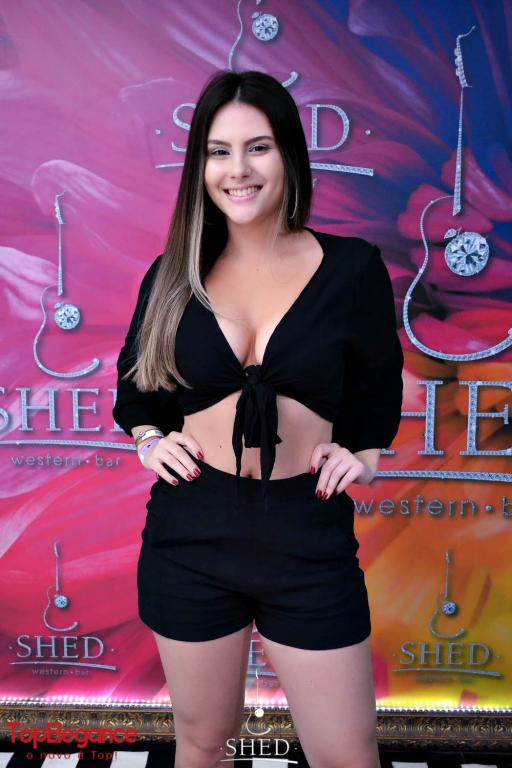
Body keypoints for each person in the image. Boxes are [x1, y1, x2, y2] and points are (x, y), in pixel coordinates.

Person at [112, 69, 403, 768]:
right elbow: (136, 389)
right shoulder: (173, 274)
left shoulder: (352, 268)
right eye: (219, 151)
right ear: (200, 166)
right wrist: (150, 440)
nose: (237, 170)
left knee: (346, 753)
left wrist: (363, 456)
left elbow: (376, 391)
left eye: (258, 147)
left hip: (307, 532)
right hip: (191, 533)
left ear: (289, 155)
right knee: (203, 741)